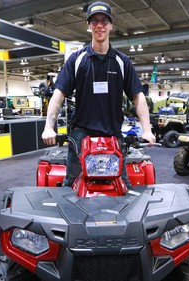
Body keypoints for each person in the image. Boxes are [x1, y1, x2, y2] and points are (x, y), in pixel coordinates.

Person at [42, 1, 155, 187]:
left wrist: (148, 130)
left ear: (111, 25)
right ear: (89, 26)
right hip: (81, 133)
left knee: (122, 182)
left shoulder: (122, 61)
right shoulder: (77, 59)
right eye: (94, 21)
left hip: (113, 133)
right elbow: (59, 94)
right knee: (71, 182)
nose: (99, 25)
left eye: (104, 20)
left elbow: (138, 96)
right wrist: (48, 127)